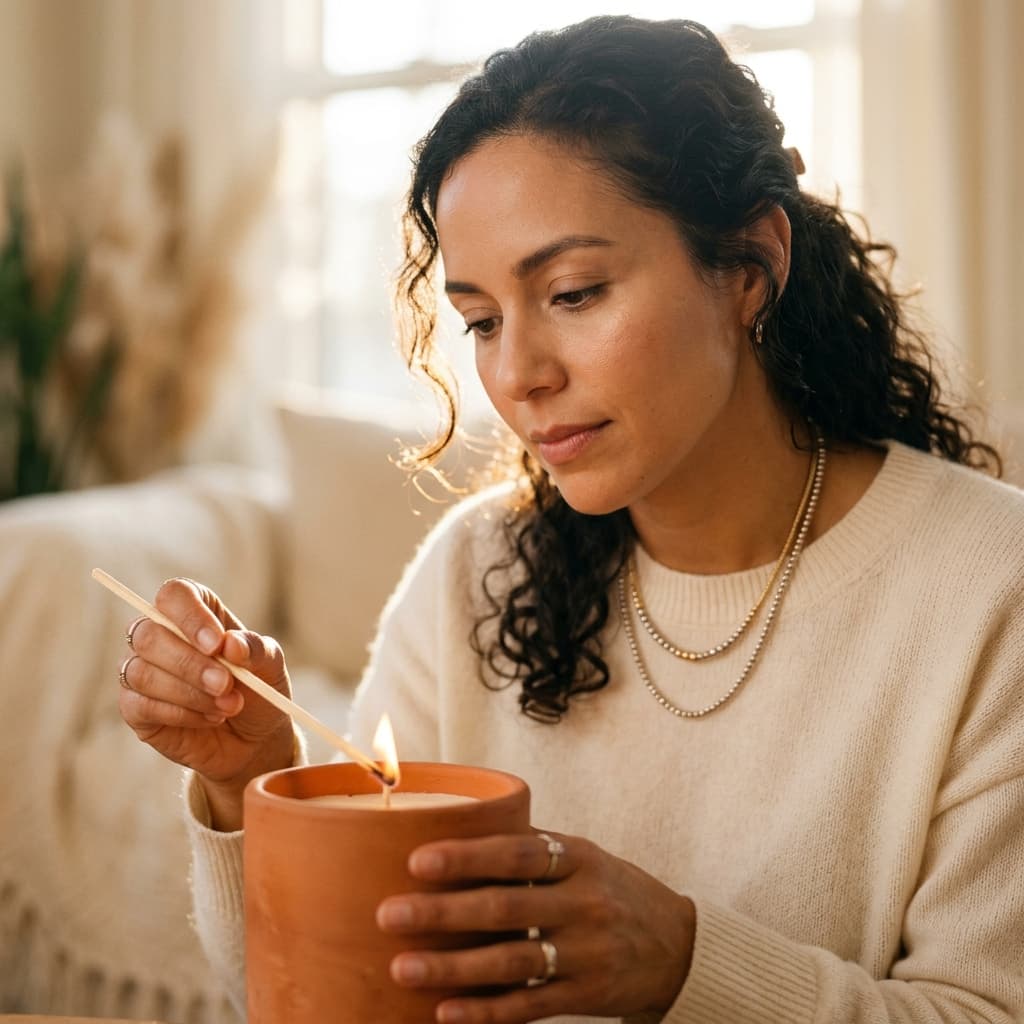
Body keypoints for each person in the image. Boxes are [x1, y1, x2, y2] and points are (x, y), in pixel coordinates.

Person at [116, 15, 1024, 1024]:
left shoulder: (991, 585)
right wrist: (249, 780)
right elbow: (321, 992)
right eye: (481, 320)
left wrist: (684, 964)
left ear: (750, 266)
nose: (517, 374)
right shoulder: (476, 568)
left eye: (574, 292)